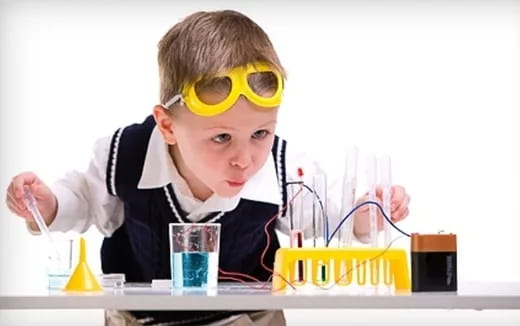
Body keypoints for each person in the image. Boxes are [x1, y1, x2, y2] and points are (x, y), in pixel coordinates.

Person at [5, 10, 410, 326]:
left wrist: (364, 215)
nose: (245, 158)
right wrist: (50, 203)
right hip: (138, 319)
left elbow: (327, 219)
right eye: (221, 138)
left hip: (246, 320)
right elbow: (84, 201)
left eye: (260, 133)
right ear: (167, 125)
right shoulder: (125, 154)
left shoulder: (285, 168)